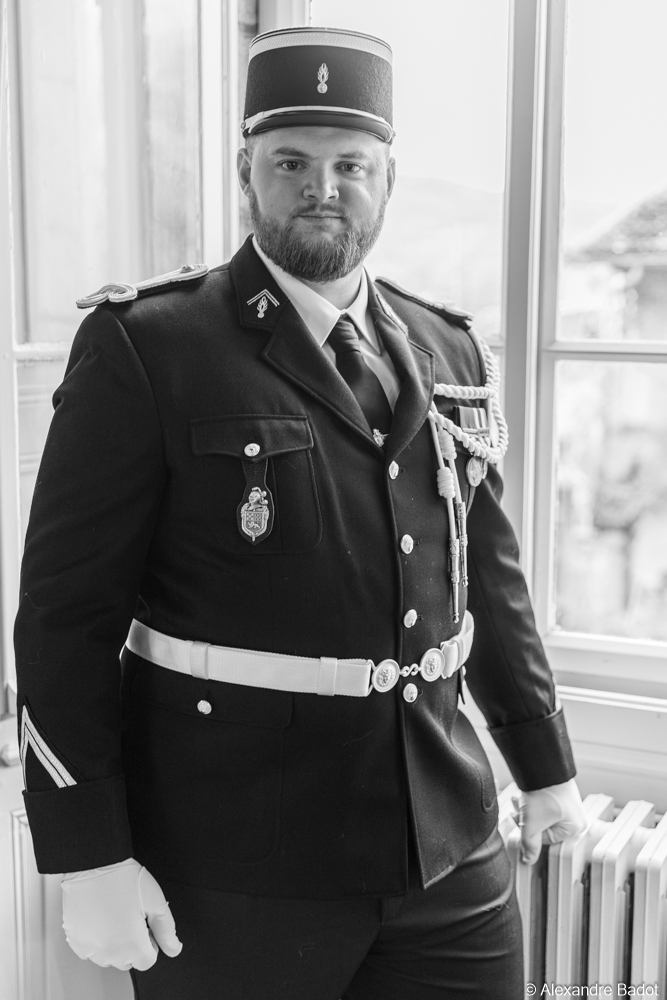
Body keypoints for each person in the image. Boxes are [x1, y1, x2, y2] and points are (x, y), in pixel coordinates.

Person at [14, 25, 586, 1000]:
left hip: (445, 847)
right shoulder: (147, 347)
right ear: (246, 172)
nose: (323, 187)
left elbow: (487, 581)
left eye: (350, 164)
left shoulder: (449, 349)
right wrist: (87, 853)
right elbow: (65, 618)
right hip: (232, 864)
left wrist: (543, 765)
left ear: (388, 179)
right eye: (291, 162)